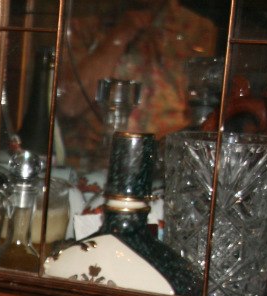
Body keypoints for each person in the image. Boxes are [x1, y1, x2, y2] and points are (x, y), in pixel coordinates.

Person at [56, 0, 217, 169]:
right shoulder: (84, 28)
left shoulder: (198, 31)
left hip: (166, 167)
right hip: (93, 167)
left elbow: (203, 112)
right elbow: (70, 104)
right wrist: (119, 36)